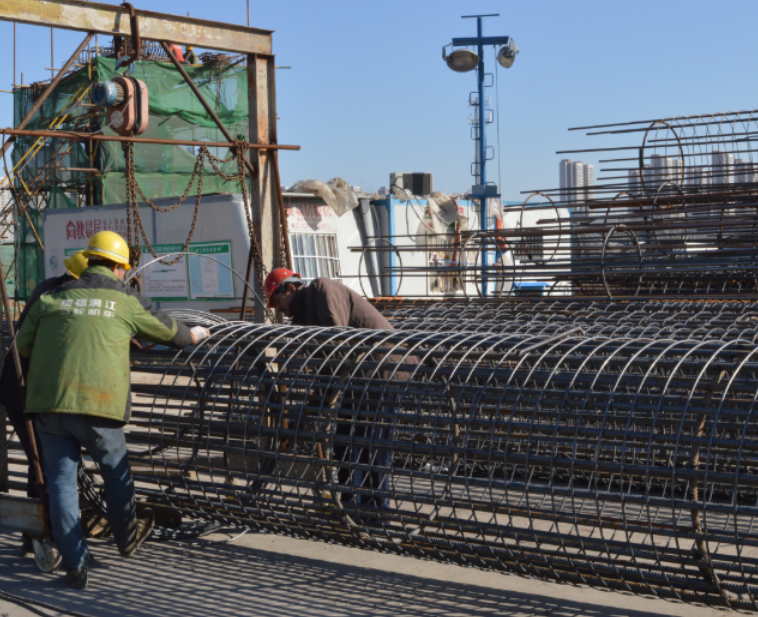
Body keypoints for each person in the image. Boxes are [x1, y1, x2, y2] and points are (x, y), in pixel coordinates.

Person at [16, 231, 211, 589]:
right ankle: (126, 539)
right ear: (120, 267)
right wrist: (196, 334)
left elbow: (22, 347)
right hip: (98, 406)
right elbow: (172, 333)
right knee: (117, 475)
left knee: (62, 486)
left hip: (49, 406)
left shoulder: (51, 296)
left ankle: (76, 565)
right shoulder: (124, 299)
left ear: (88, 259)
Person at [265, 268, 403, 514]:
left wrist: (321, 401)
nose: (279, 309)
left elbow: (337, 344)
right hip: (354, 377)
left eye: (278, 300)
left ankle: (377, 513)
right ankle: (351, 507)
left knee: (371, 442)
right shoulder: (301, 320)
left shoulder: (321, 288)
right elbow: (323, 366)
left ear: (292, 288)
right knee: (344, 442)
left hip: (382, 369)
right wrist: (314, 406)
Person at [0, 250, 89, 563]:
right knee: (42, 457)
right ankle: (40, 532)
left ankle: (39, 528)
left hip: (36, 385)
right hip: (22, 386)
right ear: (74, 279)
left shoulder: (55, 289)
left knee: (43, 457)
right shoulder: (53, 295)